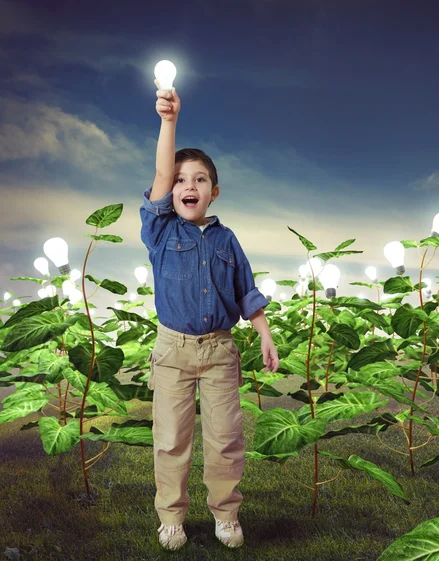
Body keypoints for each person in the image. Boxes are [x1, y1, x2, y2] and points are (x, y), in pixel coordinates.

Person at [139, 79, 279, 551]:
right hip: (172, 351)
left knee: (225, 439)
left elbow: (247, 290)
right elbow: (161, 176)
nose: (187, 186)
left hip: (220, 351)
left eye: (199, 179)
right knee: (171, 441)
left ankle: (225, 514)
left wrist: (263, 333)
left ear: (214, 192)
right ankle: (171, 518)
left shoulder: (226, 240)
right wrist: (169, 121)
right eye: (180, 180)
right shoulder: (160, 232)